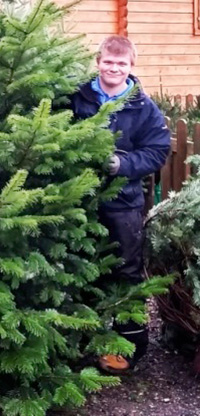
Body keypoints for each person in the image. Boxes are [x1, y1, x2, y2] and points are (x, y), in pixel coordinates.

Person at [71, 35, 170, 373]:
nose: (113, 68)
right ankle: (79, 339)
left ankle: (128, 347)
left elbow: (157, 151)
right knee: (79, 266)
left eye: (121, 64)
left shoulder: (143, 107)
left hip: (123, 202)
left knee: (126, 271)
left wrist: (122, 166)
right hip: (78, 199)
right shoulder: (79, 99)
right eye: (108, 62)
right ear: (98, 62)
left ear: (130, 67)